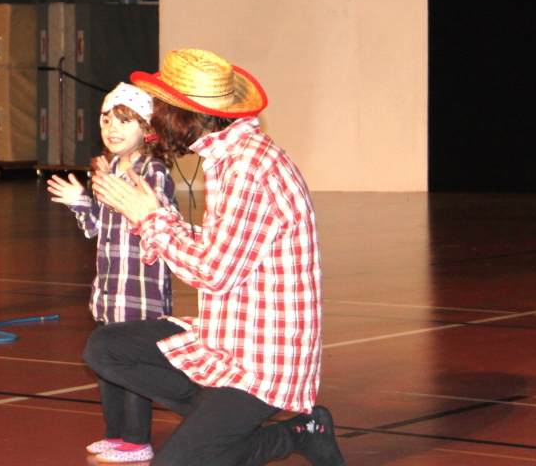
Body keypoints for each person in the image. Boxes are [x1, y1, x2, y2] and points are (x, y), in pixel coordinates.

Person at [85, 49, 346, 466]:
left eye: (159, 110)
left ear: (185, 115)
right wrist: (154, 217)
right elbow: (223, 247)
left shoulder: (246, 167)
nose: (154, 120)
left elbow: (214, 272)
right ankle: (217, 426)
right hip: (224, 338)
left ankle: (297, 432)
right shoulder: (228, 157)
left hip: (260, 360)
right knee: (105, 347)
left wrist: (151, 219)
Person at [47, 83, 176, 463]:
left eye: (124, 121)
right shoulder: (110, 170)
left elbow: (159, 223)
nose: (112, 128)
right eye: (106, 121)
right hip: (109, 289)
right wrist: (81, 202)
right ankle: (116, 434)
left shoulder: (152, 170)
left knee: (133, 367)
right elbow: (97, 229)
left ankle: (137, 441)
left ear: (146, 128)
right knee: (107, 364)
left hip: (140, 290)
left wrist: (115, 195)